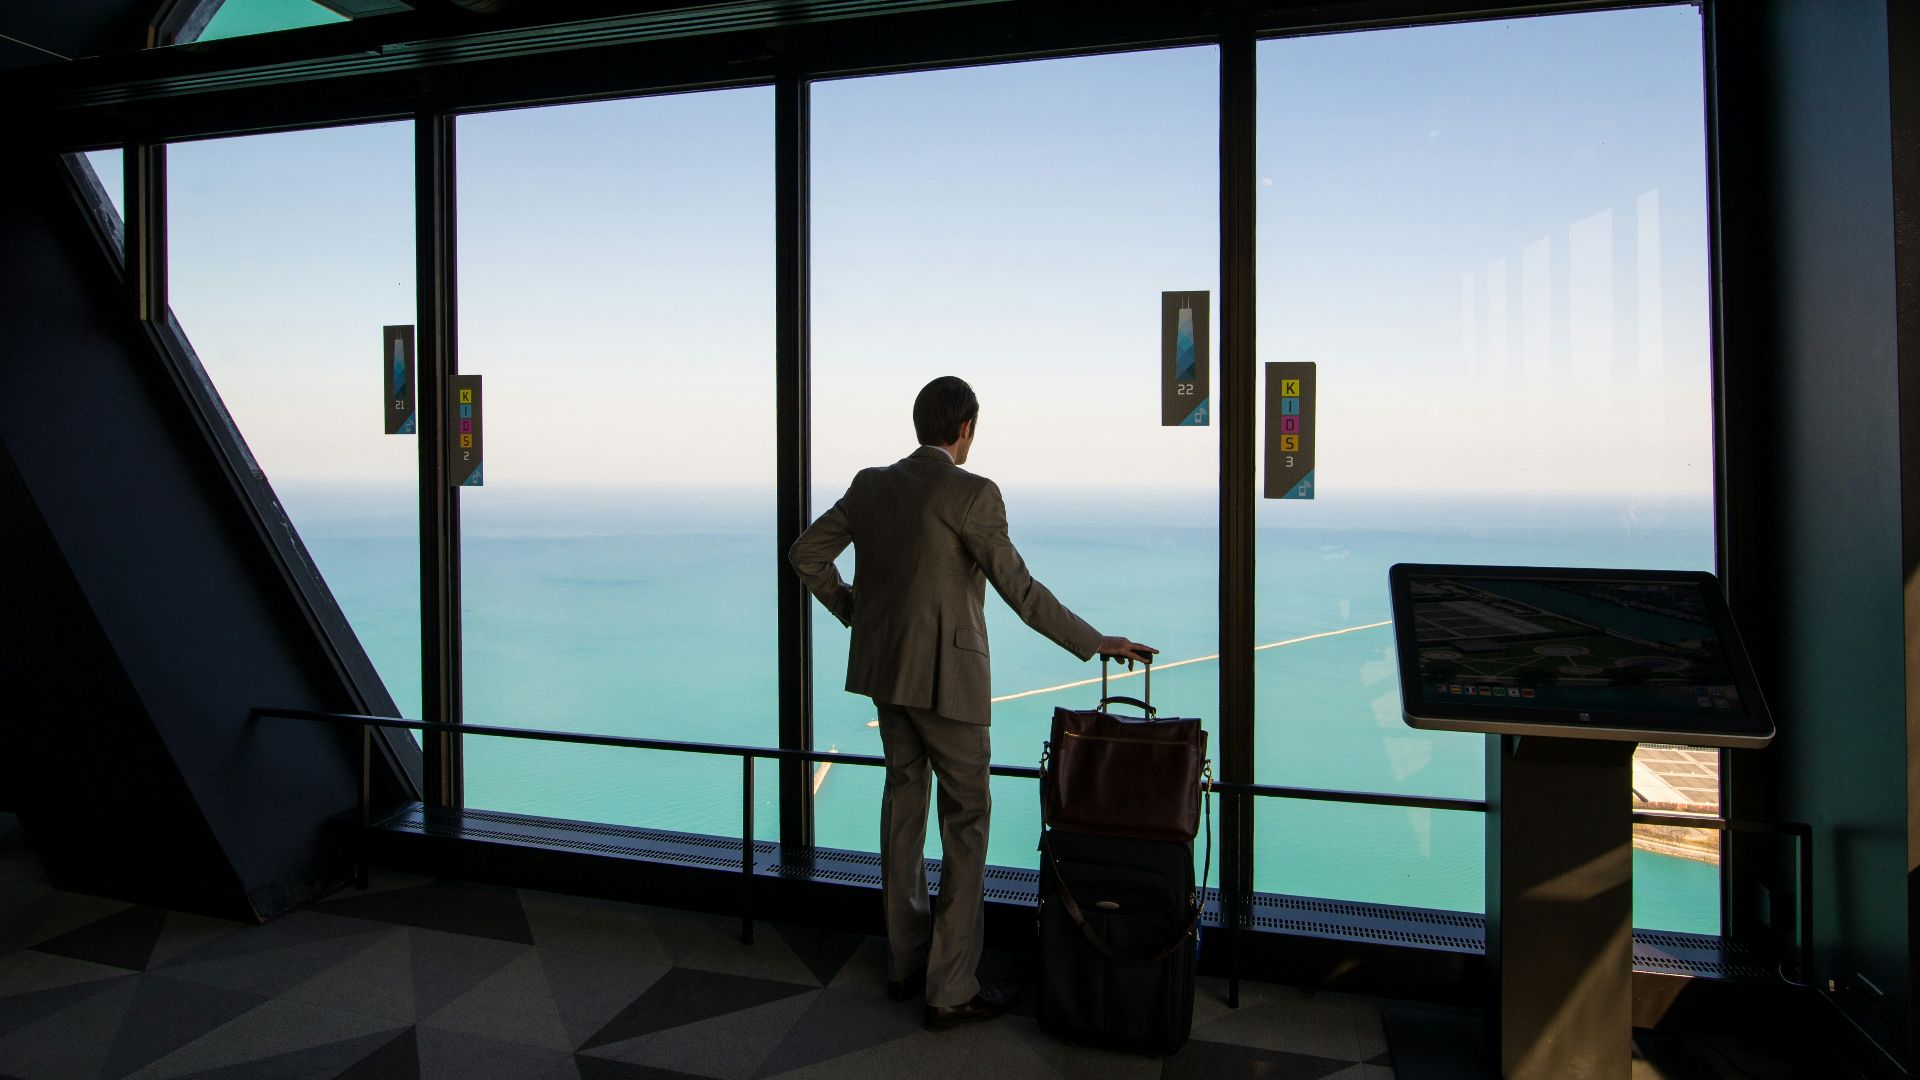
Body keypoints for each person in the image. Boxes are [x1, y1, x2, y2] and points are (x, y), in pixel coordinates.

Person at [789, 375, 1156, 1031]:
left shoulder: (872, 484)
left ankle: (905, 963)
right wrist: (1094, 641)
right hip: (948, 688)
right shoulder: (971, 492)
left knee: (904, 809)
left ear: (919, 424)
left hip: (885, 677)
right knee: (967, 823)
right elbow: (1020, 590)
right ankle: (951, 986)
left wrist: (857, 613)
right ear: (966, 430)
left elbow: (806, 554)